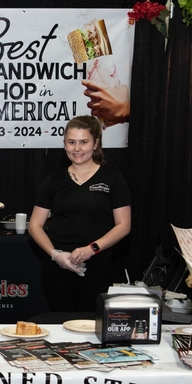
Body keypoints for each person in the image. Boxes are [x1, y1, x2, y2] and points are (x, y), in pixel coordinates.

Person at [28, 115, 132, 312]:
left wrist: (90, 249)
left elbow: (123, 226)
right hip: (58, 268)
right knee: (61, 322)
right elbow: (35, 225)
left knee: (92, 324)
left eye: (84, 142)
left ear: (96, 144)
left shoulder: (112, 178)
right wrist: (55, 254)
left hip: (97, 266)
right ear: (64, 144)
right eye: (71, 142)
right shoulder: (54, 179)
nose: (77, 148)